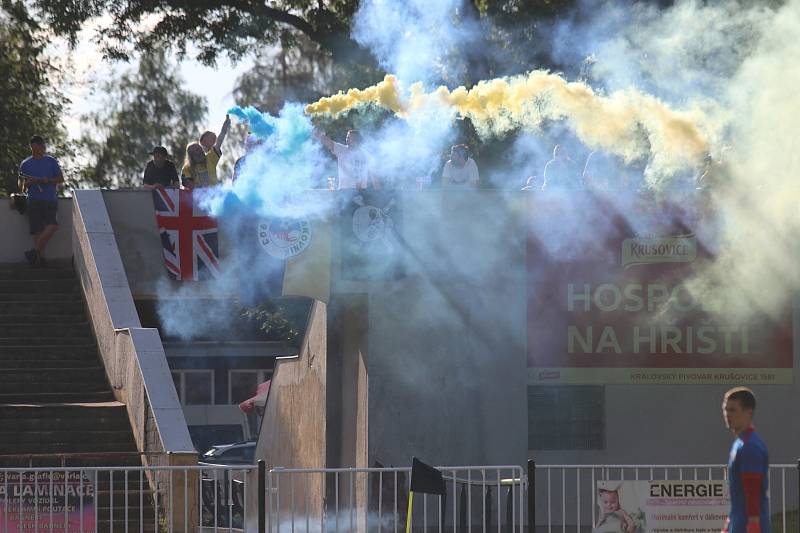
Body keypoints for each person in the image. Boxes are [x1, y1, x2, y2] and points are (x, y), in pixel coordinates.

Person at [722, 387, 769, 533]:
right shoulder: (739, 444)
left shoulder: (750, 446)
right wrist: (728, 524)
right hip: (738, 523)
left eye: (733, 410)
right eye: (725, 409)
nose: (727, 414)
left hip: (748, 526)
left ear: (749, 412)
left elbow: (752, 490)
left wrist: (754, 526)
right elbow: (738, 495)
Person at [19, 135, 63, 267]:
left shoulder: (51, 161)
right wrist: (28, 183)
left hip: (50, 199)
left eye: (42, 145)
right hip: (33, 200)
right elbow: (21, 186)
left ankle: (34, 252)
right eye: (39, 145)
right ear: (33, 146)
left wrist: (48, 180)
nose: (42, 148)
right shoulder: (25, 164)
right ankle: (41, 259)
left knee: (53, 226)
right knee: (37, 231)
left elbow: (60, 179)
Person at [313, 128, 378, 189]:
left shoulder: (365, 154)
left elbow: (373, 175)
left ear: (356, 140)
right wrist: (321, 136)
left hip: (361, 191)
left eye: (349, 138)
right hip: (344, 193)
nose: (346, 139)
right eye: (347, 137)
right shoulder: (341, 149)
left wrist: (377, 192)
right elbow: (330, 143)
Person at [182, 115, 231, 188]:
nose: (199, 152)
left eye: (199, 149)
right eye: (195, 151)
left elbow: (218, 143)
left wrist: (224, 130)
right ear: (191, 156)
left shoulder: (210, 158)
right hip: (197, 198)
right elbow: (186, 183)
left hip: (215, 196)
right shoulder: (186, 168)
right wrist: (200, 189)